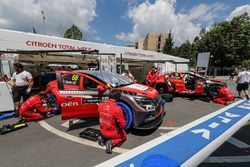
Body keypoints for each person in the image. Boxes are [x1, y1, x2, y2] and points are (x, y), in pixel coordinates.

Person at [98, 90, 126, 154]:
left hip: (102, 130)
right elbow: (123, 124)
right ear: (118, 98)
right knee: (123, 135)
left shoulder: (101, 105)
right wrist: (121, 128)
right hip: (111, 133)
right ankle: (111, 142)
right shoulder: (117, 109)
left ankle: (102, 138)